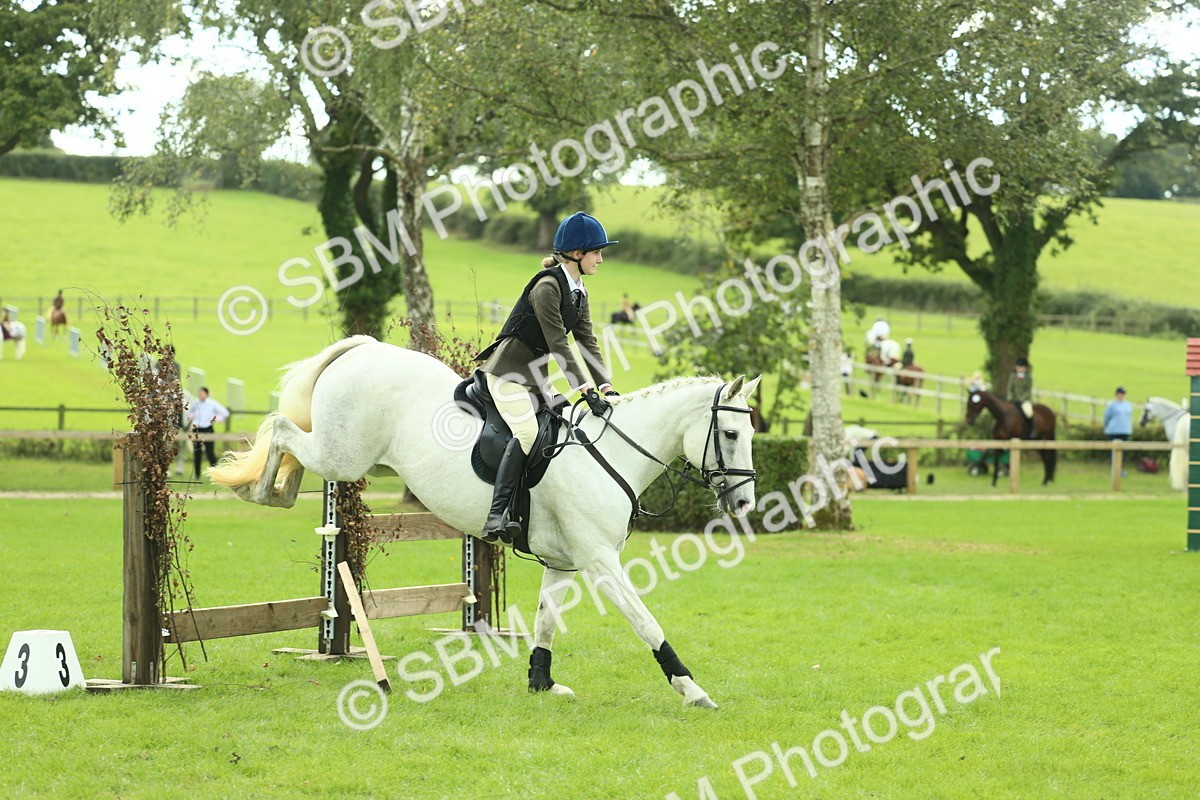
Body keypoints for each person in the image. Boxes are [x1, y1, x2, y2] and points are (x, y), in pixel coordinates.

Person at [473, 211, 619, 543]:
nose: (601, 258)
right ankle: (496, 516)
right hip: (507, 373)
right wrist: (584, 388)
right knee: (526, 433)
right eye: (597, 251)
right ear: (578, 254)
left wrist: (606, 386)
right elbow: (558, 343)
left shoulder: (579, 290)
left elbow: (586, 340)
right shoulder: (547, 288)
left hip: (536, 378)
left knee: (568, 424)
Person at [188, 386, 229, 480]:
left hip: (208, 429)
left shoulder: (212, 403)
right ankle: (197, 475)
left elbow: (225, 413)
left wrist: (216, 419)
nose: (200, 395)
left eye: (202, 393)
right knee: (197, 452)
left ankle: (216, 474)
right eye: (199, 393)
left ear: (206, 394)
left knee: (210, 452)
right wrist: (193, 416)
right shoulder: (196, 403)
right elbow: (190, 413)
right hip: (197, 429)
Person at [1104, 386, 1133, 477]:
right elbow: (1107, 417)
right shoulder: (1112, 405)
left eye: (1123, 394)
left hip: (1125, 430)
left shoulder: (1127, 405)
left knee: (1122, 451)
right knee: (1114, 451)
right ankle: (1115, 469)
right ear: (1116, 395)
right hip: (1114, 430)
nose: (1121, 396)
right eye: (1120, 394)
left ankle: (1120, 470)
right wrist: (1108, 426)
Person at [1007, 357, 1034, 438]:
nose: (1020, 369)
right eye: (1018, 367)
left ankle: (1031, 431)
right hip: (1013, 400)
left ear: (1025, 368)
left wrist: (1022, 399)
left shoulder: (1028, 377)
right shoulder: (1012, 376)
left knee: (1029, 413)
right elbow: (1009, 388)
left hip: (1024, 400)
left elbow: (1028, 390)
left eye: (1021, 367)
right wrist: (1010, 397)